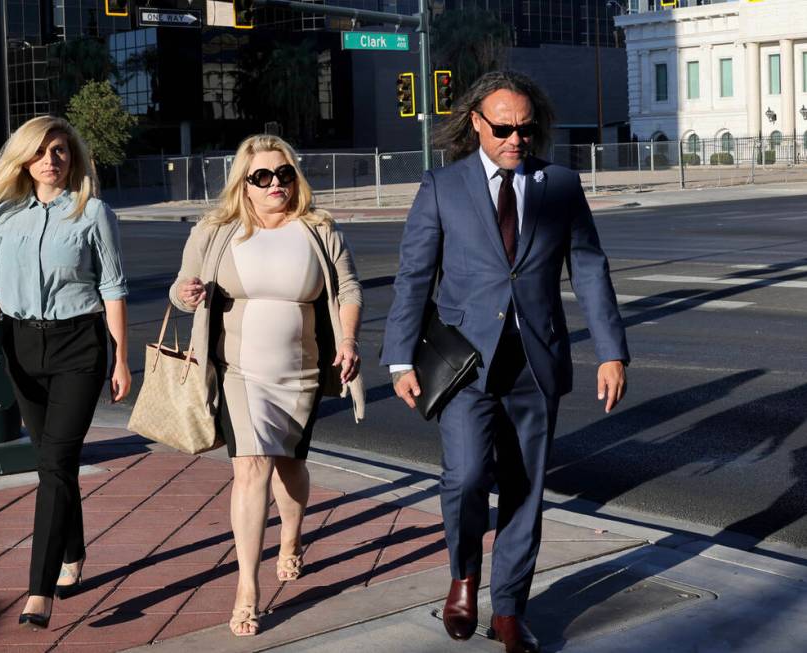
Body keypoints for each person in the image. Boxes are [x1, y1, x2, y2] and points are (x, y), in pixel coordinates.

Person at [381, 71, 629, 652]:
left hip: (535, 363)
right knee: (465, 477)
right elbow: (414, 277)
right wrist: (398, 358)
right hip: (467, 365)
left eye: (525, 128)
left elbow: (590, 269)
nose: (516, 139)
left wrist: (612, 351)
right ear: (476, 123)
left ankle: (510, 609)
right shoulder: (442, 187)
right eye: (503, 128)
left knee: (525, 489)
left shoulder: (560, 184)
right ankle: (465, 575)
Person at [170, 134, 364, 637]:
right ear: (245, 183)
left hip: (300, 373)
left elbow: (347, 288)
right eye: (262, 176)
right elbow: (181, 284)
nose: (275, 183)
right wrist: (187, 293)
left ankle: (293, 537)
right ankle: (247, 589)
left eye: (284, 174)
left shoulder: (318, 229)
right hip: (239, 373)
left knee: (290, 467)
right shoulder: (216, 231)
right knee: (250, 469)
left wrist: (348, 339)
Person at [0, 115, 130, 630]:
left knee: (56, 461)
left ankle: (39, 591)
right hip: (20, 347)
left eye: (59, 151)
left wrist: (122, 357)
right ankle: (74, 550)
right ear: (24, 160)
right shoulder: (4, 217)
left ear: (71, 158)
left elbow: (113, 287)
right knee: (53, 464)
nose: (50, 161)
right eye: (40, 152)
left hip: (79, 345)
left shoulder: (93, 212)